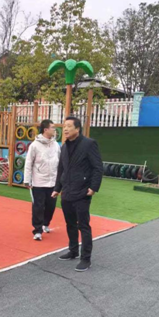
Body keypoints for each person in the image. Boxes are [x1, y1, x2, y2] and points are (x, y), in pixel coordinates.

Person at [52, 116, 104, 272]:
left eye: (69, 126)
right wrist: (57, 188)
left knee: (83, 225)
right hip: (67, 192)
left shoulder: (89, 144)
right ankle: (73, 250)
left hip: (82, 192)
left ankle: (86, 258)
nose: (65, 129)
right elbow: (61, 169)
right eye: (64, 126)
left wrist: (93, 187)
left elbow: (98, 167)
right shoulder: (64, 147)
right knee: (70, 224)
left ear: (77, 129)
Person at [24, 119, 61, 241]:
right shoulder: (35, 145)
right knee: (38, 207)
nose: (55, 130)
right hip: (38, 182)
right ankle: (37, 230)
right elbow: (28, 163)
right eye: (53, 128)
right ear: (45, 129)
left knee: (51, 206)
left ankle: (46, 223)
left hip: (53, 181)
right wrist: (27, 180)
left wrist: (60, 181)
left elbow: (60, 162)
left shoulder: (56, 145)